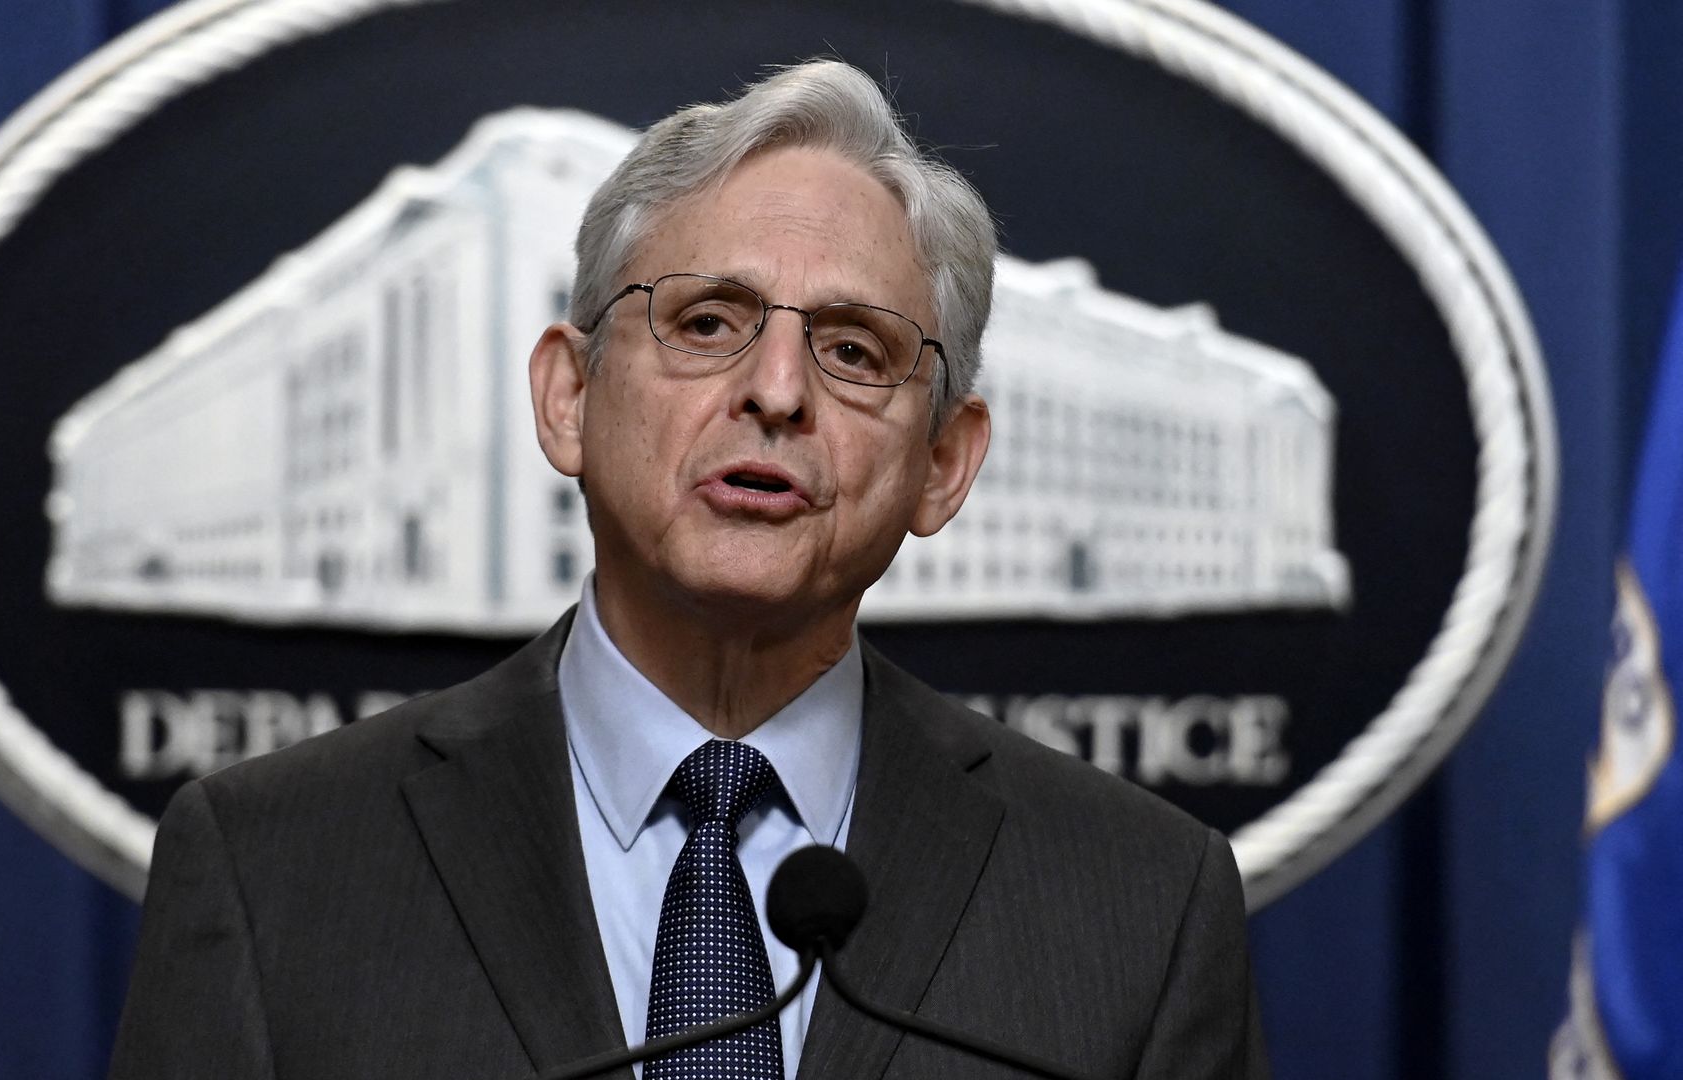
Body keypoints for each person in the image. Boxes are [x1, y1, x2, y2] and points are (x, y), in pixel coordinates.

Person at [109, 60, 1268, 1080]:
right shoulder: (272, 868)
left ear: (943, 466)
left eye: (854, 349)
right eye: (708, 323)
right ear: (568, 398)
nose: (776, 390)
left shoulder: (1142, 906)